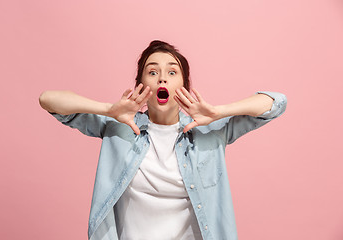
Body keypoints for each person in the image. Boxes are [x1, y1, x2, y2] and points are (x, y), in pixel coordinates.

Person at [39, 40, 287, 240]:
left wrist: (219, 112)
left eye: (171, 71)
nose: (162, 78)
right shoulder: (120, 127)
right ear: (140, 85)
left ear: (184, 85)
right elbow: (48, 100)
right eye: (152, 71)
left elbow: (276, 102)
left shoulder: (209, 130)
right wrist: (108, 109)